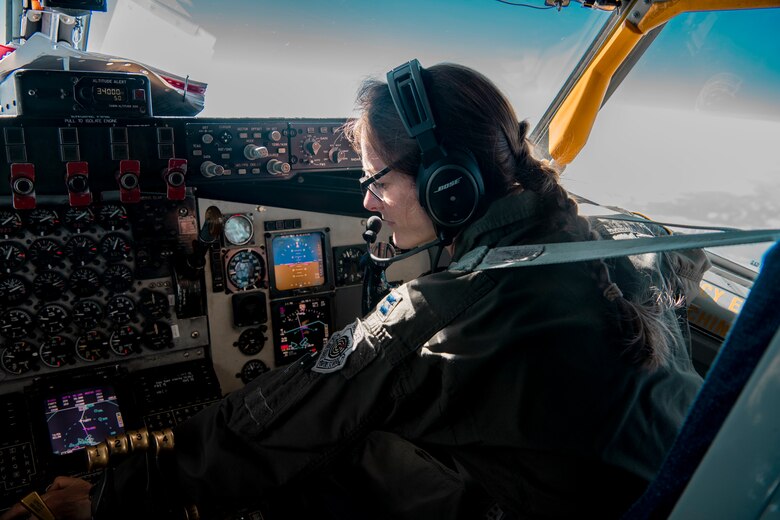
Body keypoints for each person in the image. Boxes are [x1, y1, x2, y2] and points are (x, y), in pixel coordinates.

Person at [1, 60, 707, 520]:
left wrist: (112, 489)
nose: (367, 204)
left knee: (326, 465)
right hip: (677, 492)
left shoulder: (442, 314)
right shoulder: (617, 248)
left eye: (375, 179)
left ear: (447, 185)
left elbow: (278, 423)